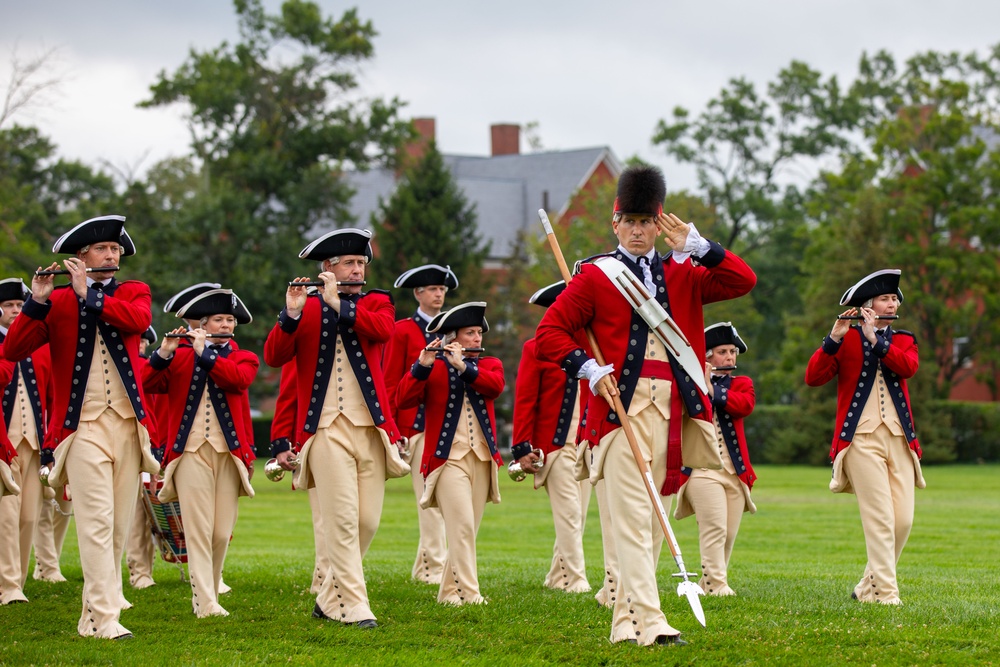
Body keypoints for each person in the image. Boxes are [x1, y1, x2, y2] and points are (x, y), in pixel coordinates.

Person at [535, 165, 756, 646]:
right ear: (615, 224)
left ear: (659, 224)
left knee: (655, 523)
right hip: (620, 415)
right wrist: (587, 369)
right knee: (634, 519)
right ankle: (651, 621)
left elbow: (743, 280)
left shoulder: (684, 273)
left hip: (675, 415)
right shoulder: (596, 277)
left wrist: (699, 245)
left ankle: (623, 622)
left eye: (646, 221)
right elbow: (547, 333)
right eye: (629, 221)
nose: (637, 230)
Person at [3, 215, 160, 639]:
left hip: (127, 424)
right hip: (82, 426)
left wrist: (88, 293)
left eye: (115, 250)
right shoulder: (55, 301)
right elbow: (14, 348)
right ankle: (107, 618)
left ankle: (92, 617)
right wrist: (36, 302)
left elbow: (134, 320)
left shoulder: (133, 292)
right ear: (81, 257)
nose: (112, 256)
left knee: (116, 527)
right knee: (96, 520)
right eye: (103, 251)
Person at [264, 228, 409, 629]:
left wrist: (338, 305)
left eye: (361, 263)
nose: (358, 269)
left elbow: (382, 332)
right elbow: (274, 357)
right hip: (324, 429)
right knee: (342, 520)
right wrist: (291, 313)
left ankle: (328, 598)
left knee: (367, 521)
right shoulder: (305, 307)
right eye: (349, 263)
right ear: (327, 268)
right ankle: (353, 606)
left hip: (371, 427)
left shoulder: (379, 303)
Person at [805, 269, 924, 605]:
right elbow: (813, 377)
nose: (890, 303)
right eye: (884, 298)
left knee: (903, 520)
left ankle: (866, 588)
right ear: (868, 305)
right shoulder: (847, 340)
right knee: (880, 518)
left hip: (900, 439)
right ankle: (886, 594)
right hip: (860, 440)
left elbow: (908, 367)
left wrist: (876, 339)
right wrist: (834, 337)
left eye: (893, 299)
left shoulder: (903, 339)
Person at [142, 288, 257, 617]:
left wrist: (204, 353)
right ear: (201, 324)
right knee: (198, 529)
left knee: (221, 532)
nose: (226, 325)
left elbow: (237, 380)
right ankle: (205, 601)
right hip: (189, 452)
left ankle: (211, 585)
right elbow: (147, 384)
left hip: (229, 454)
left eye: (230, 320)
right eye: (218, 320)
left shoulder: (243, 356)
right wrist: (163, 352)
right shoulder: (178, 355)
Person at [395, 302, 504, 606]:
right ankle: (470, 593)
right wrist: (422, 365)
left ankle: (447, 592)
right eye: (470, 333)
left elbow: (494, 387)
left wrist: (463, 366)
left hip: (481, 459)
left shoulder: (490, 364)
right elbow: (403, 399)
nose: (477, 338)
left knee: (466, 531)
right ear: (452, 338)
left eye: (479, 332)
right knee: (462, 527)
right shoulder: (434, 368)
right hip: (447, 460)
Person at [511, 281, 591, 594]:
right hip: (554, 447)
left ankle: (557, 576)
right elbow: (525, 399)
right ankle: (576, 580)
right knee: (570, 513)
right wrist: (521, 447)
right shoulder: (536, 348)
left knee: (578, 516)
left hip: (586, 443)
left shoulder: (591, 349)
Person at [383, 263, 458, 585]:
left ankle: (426, 565)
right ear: (418, 293)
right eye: (432, 289)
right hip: (417, 429)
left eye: (442, 289)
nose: (439, 294)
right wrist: (394, 430)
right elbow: (390, 384)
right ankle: (432, 568)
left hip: (450, 424)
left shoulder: (454, 329)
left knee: (447, 498)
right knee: (427, 499)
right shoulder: (402, 330)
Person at [674, 322, 757, 597]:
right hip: (701, 469)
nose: (731, 358)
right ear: (707, 355)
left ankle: (708, 584)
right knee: (715, 528)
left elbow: (743, 406)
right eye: (723, 352)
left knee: (729, 534)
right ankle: (718, 586)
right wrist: (701, 385)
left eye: (733, 352)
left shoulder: (742, 383)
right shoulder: (687, 384)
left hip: (734, 471)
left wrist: (713, 390)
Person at [0, 278, 53, 603]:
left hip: (33, 443)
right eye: (9, 306)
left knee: (29, 517)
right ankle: (9, 586)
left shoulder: (35, 346)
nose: (16, 312)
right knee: (6, 517)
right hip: (4, 444)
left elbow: (48, 395)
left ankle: (15, 581)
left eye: (20, 307)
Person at [124, 326, 160, 590]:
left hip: (152, 443)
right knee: (137, 512)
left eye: (143, 343)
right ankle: (139, 571)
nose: (141, 347)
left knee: (149, 511)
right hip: (131, 442)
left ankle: (144, 569)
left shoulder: (150, 370)